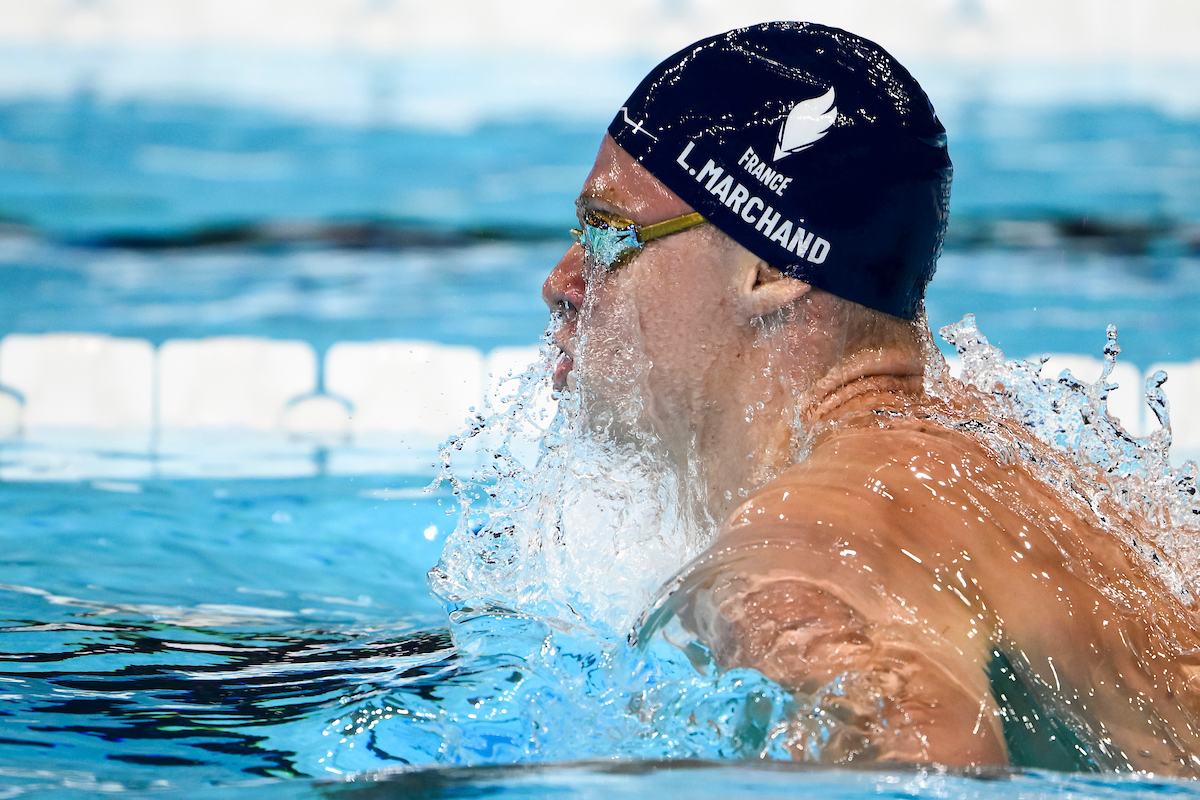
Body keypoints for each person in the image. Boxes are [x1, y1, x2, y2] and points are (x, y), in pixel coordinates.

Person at [541, 22, 1200, 773]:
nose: (563, 283)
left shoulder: (800, 552)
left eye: (610, 234)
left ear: (768, 269)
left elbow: (928, 755)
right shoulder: (1033, 485)